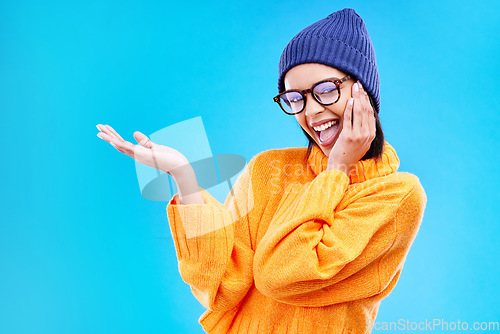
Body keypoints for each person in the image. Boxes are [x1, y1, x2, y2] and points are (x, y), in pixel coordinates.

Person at [96, 8, 426, 334]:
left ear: (363, 91)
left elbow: (281, 274)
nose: (311, 111)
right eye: (296, 98)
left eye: (326, 90)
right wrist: (184, 177)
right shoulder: (268, 169)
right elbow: (221, 288)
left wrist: (336, 169)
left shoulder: (397, 196)